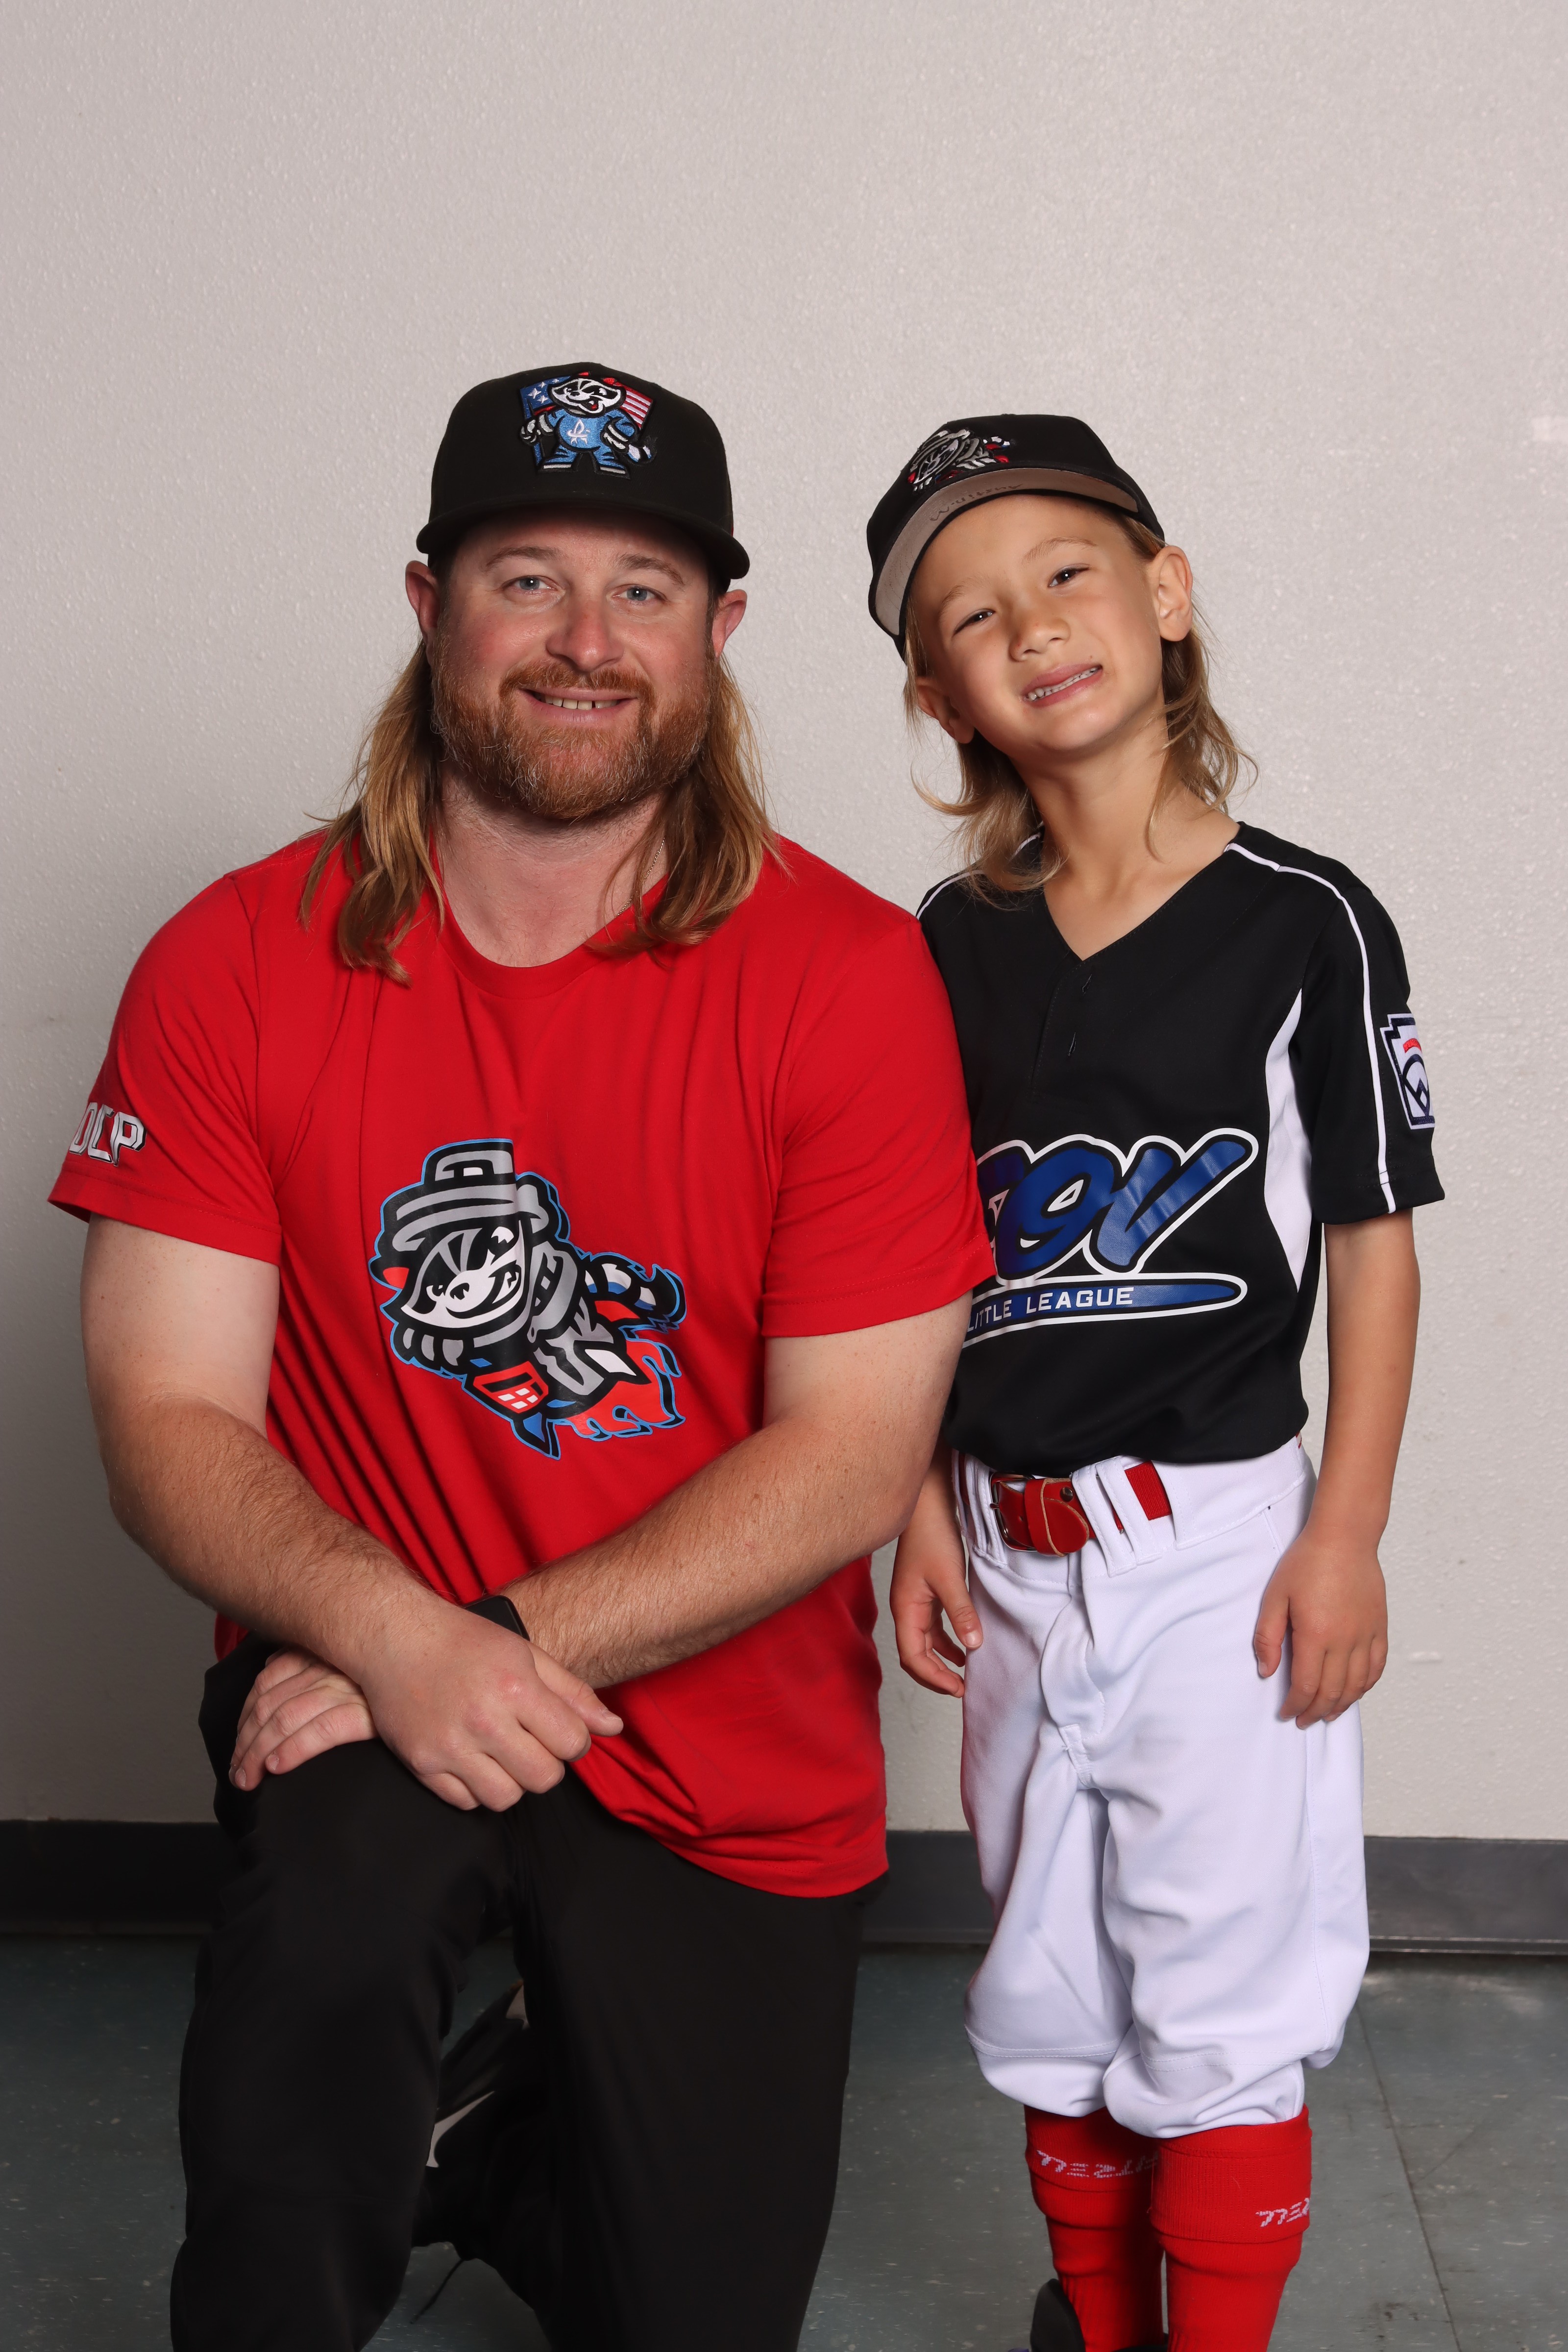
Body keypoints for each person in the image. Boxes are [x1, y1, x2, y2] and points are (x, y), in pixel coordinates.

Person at [50, 361, 995, 2352]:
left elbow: (848, 1453)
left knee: (690, 2311)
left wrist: (487, 1636)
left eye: (643, 590)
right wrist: (395, 1638)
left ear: (718, 632)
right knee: (323, 1953)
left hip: (714, 1720)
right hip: (373, 1679)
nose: (585, 640)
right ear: (430, 606)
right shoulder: (237, 957)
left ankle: (492, 2143)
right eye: (527, 579)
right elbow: (163, 1411)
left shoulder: (843, 977)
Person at [869, 415, 1441, 2352]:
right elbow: (900, 1267)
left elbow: (1370, 1244)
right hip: (1005, 1549)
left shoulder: (1302, 918)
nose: (1029, 627)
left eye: (1065, 574)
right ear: (936, 697)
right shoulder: (944, 948)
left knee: (1217, 2004)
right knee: (1052, 1994)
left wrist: (1346, 1534)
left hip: (1216, 1549)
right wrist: (914, 1507)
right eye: (968, 616)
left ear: (1165, 594)